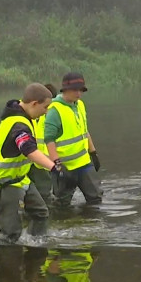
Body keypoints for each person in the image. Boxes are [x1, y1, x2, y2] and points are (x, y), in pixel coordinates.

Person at [0, 83, 62, 243]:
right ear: (34, 104)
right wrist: (53, 168)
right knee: (11, 234)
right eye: (45, 107)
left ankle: (35, 247)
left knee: (41, 213)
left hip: (21, 178)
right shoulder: (19, 125)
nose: (46, 112)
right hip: (5, 182)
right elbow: (28, 149)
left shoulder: (22, 116)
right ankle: (11, 259)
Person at [45, 72, 103, 207]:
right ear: (65, 89)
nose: (79, 93)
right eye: (75, 90)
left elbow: (84, 131)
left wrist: (93, 153)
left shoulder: (80, 105)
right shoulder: (54, 110)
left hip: (83, 163)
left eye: (81, 90)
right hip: (65, 167)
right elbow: (49, 139)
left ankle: (91, 226)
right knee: (62, 204)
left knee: (95, 199)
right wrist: (57, 166)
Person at [28, 83, 58, 201]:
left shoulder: (50, 114)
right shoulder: (31, 113)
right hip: (34, 160)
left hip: (44, 162)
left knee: (44, 193)